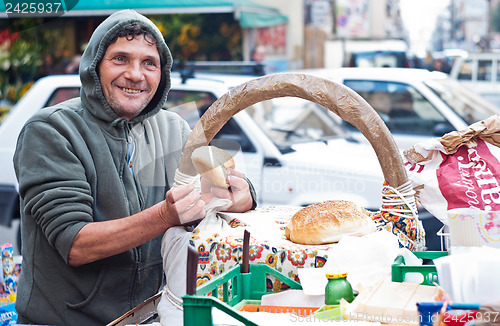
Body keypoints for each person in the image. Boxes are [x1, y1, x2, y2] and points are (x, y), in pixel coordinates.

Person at [13, 9, 256, 326]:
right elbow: (75, 244)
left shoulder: (174, 129)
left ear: (162, 73)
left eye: (149, 63)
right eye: (120, 59)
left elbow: (220, 187)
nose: (135, 74)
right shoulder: (51, 130)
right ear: (93, 66)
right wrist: (165, 215)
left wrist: (241, 195)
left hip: (148, 318)